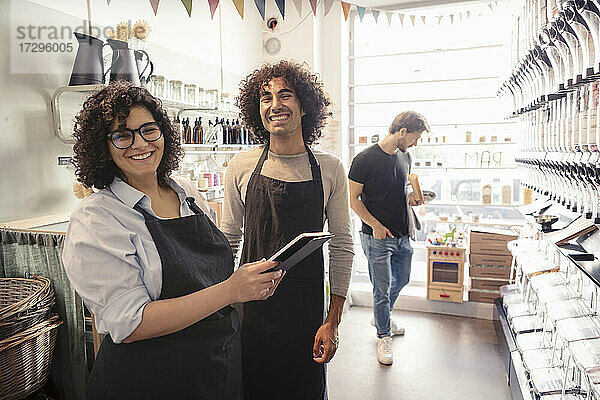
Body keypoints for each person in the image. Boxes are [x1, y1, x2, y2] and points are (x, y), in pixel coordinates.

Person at [62, 81, 283, 400]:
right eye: (123, 135)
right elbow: (131, 324)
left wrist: (246, 288)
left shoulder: (187, 193)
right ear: (103, 146)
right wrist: (230, 290)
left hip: (215, 368)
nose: (139, 143)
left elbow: (211, 276)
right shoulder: (97, 219)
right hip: (149, 379)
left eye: (149, 130)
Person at [221, 60, 354, 400]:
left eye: (285, 95)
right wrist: (220, 303)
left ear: (305, 105)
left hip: (305, 314)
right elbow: (229, 239)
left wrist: (333, 320)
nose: (275, 105)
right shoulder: (241, 166)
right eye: (265, 97)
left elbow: (341, 246)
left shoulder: (330, 168)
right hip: (249, 312)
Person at [348, 111, 429, 365]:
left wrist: (412, 198)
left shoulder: (405, 156)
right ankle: (383, 335)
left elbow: (399, 189)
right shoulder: (364, 159)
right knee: (381, 289)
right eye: (414, 138)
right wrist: (375, 225)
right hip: (377, 237)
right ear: (402, 131)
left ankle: (381, 315)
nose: (415, 144)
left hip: (403, 234)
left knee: (402, 278)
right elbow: (353, 200)